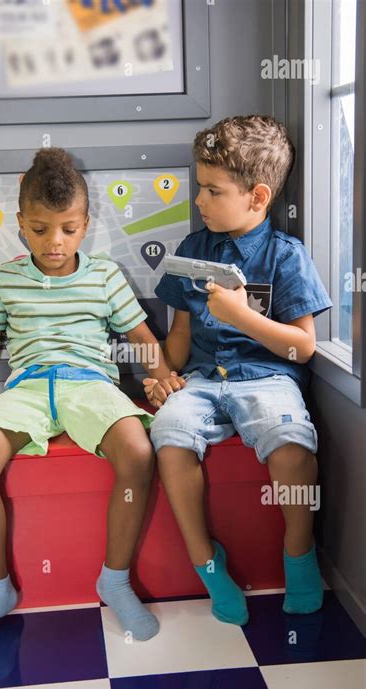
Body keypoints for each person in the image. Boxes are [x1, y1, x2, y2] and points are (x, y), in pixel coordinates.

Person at [0, 147, 183, 649]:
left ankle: (115, 580)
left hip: (91, 385)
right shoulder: (6, 280)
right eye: (40, 229)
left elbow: (143, 338)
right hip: (29, 388)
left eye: (68, 228)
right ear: (20, 223)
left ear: (85, 223)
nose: (54, 242)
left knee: (139, 453)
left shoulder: (104, 276)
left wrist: (164, 382)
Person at [143, 115, 333, 626]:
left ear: (257, 196)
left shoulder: (284, 256)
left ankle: (299, 555)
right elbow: (179, 336)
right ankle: (206, 561)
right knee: (170, 434)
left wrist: (245, 319)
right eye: (199, 186)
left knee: (292, 447)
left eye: (212, 190)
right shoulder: (191, 250)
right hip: (204, 379)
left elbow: (304, 348)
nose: (199, 200)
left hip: (268, 380)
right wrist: (162, 374)